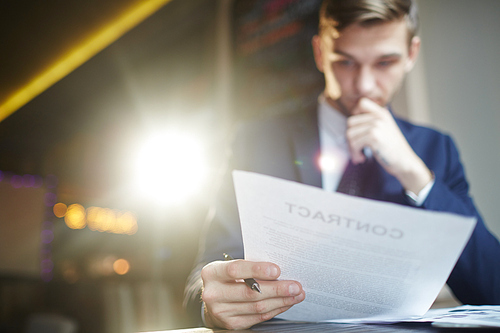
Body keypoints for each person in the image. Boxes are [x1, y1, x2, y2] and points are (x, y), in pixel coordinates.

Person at [183, 0, 500, 329]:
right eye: (345, 62)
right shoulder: (256, 142)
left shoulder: (436, 150)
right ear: (320, 53)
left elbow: (492, 288)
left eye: (384, 62)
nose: (363, 85)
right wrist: (211, 301)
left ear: (411, 55)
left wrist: (416, 175)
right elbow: (203, 278)